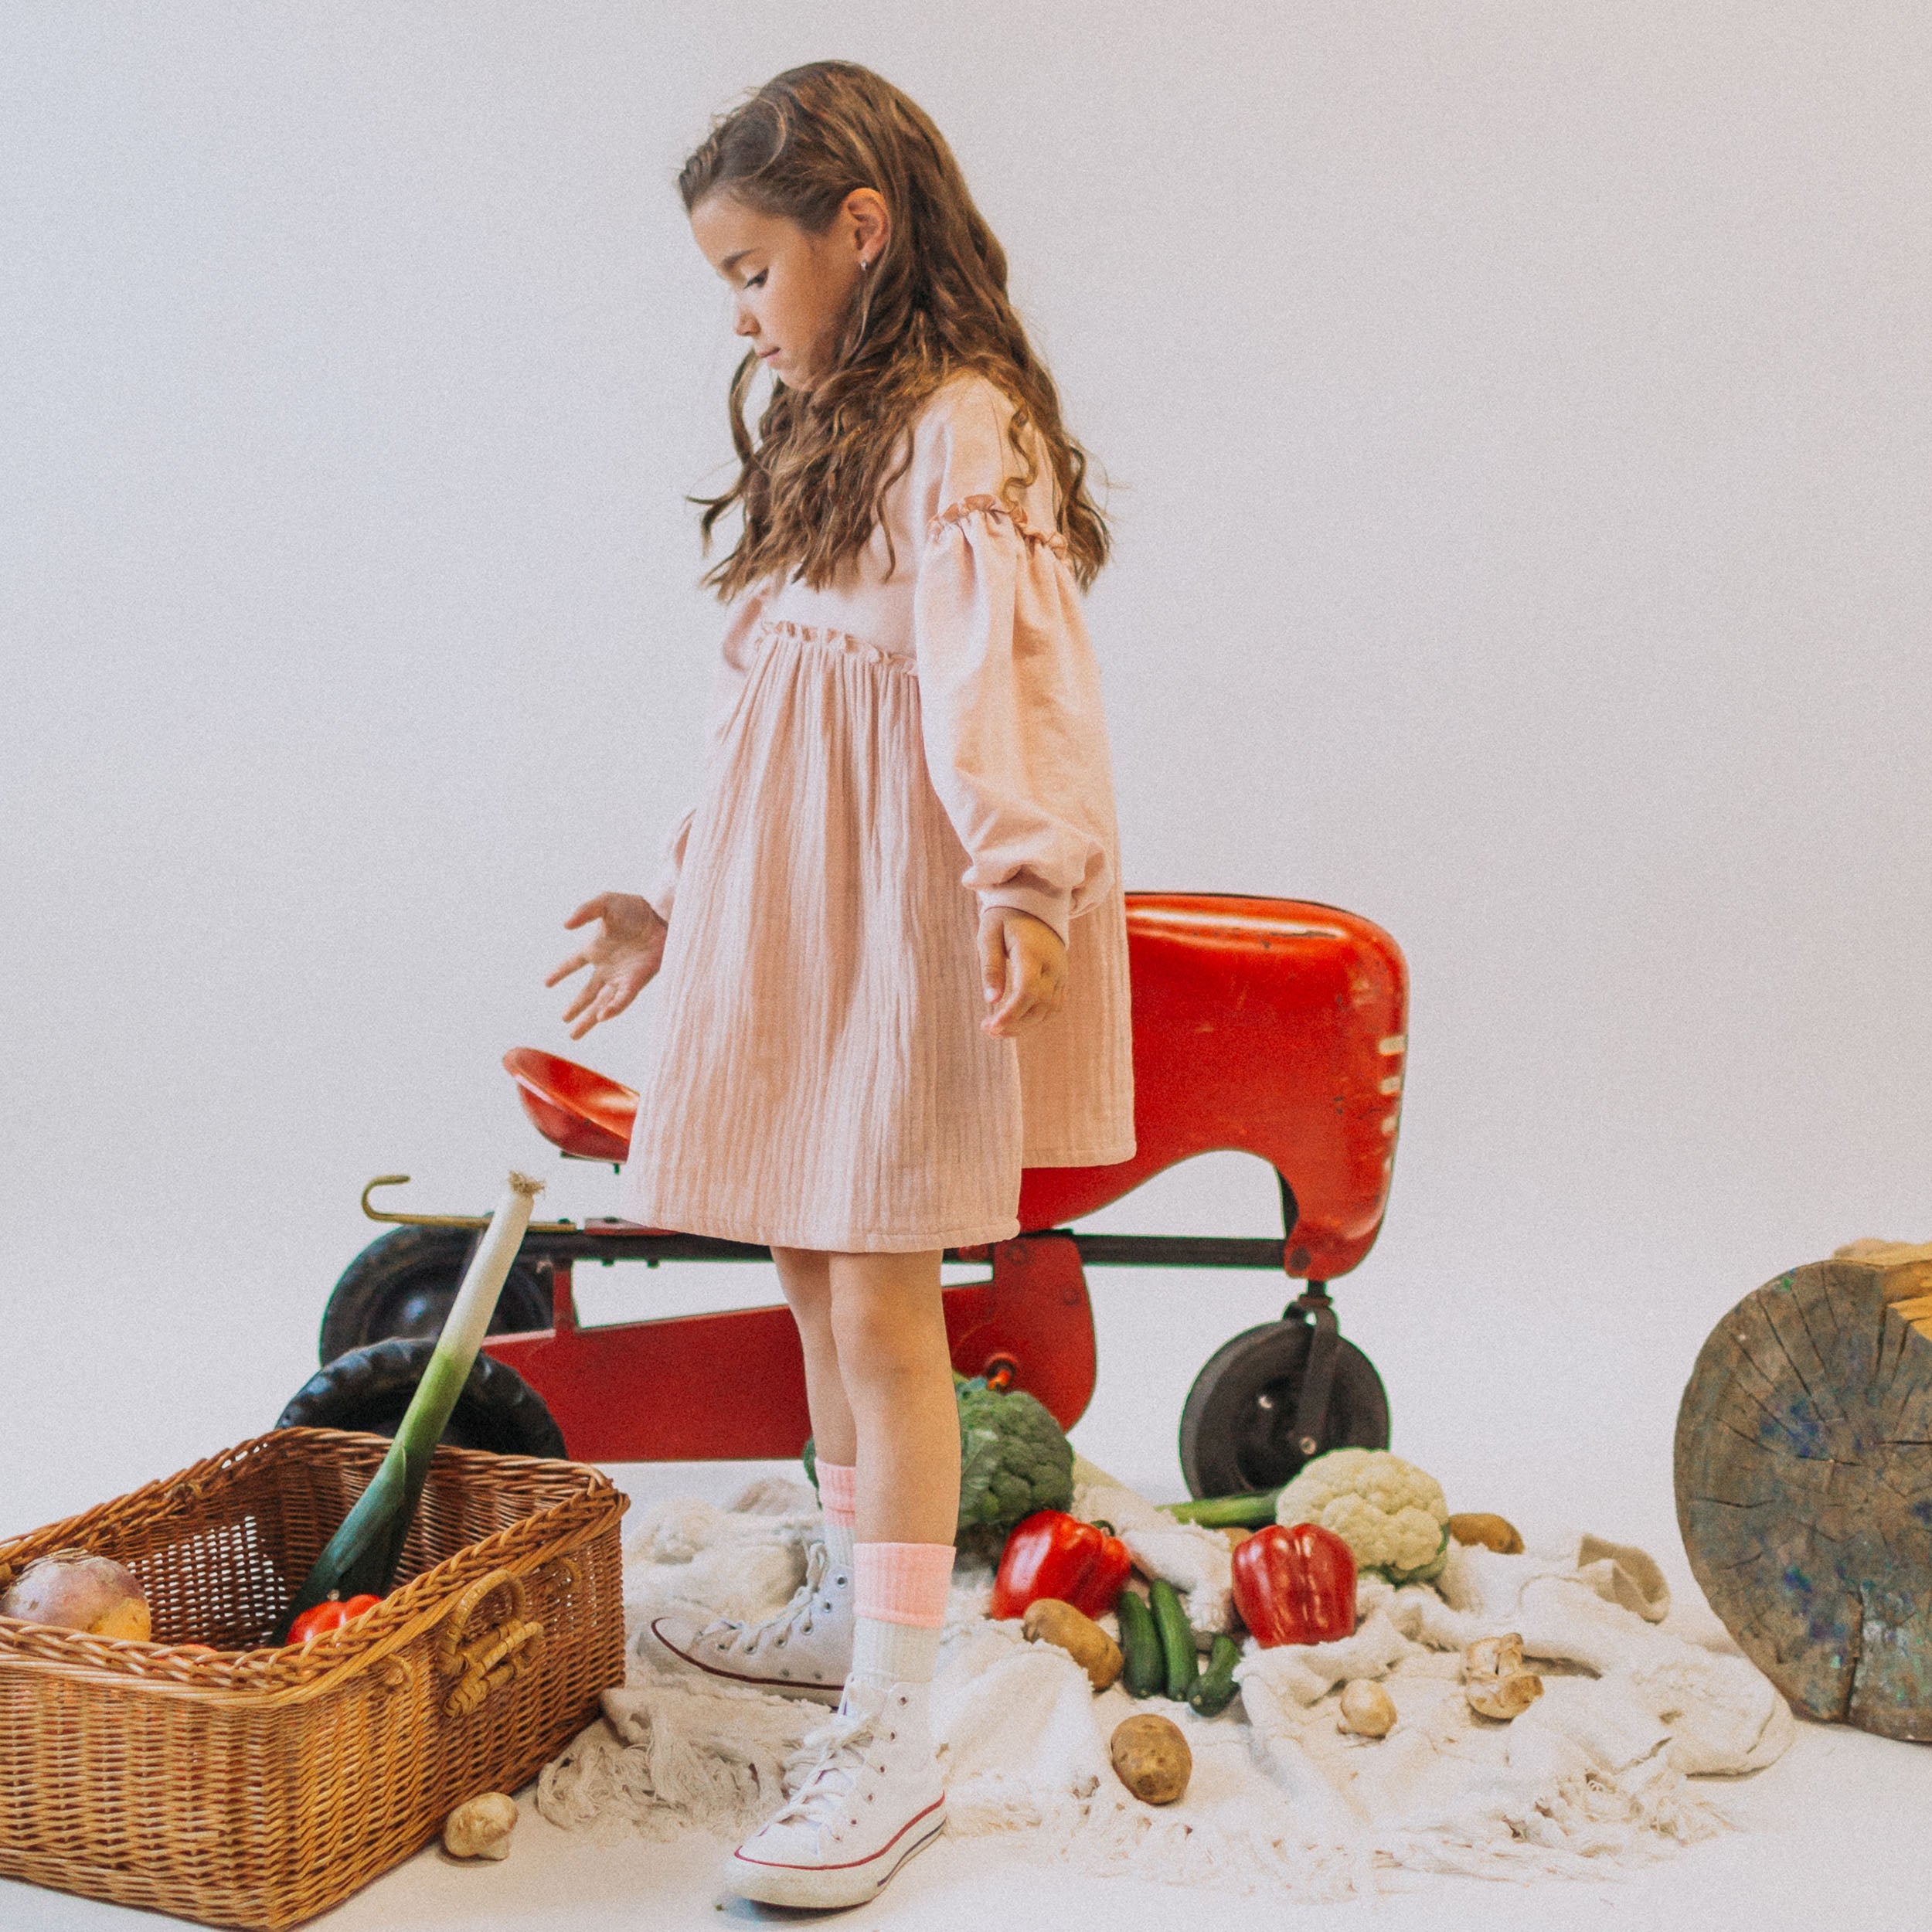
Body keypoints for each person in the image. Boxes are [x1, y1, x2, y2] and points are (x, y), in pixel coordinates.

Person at [546, 60, 1134, 1910]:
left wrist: (1025, 880)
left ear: (857, 231)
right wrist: (669, 895)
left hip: (900, 907)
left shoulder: (960, 424)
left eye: (751, 269)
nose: (738, 313)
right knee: (810, 1266)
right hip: (794, 903)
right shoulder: (831, 428)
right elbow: (762, 701)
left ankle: (894, 1724)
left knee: (880, 1299)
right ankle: (847, 1603)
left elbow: (1001, 682)